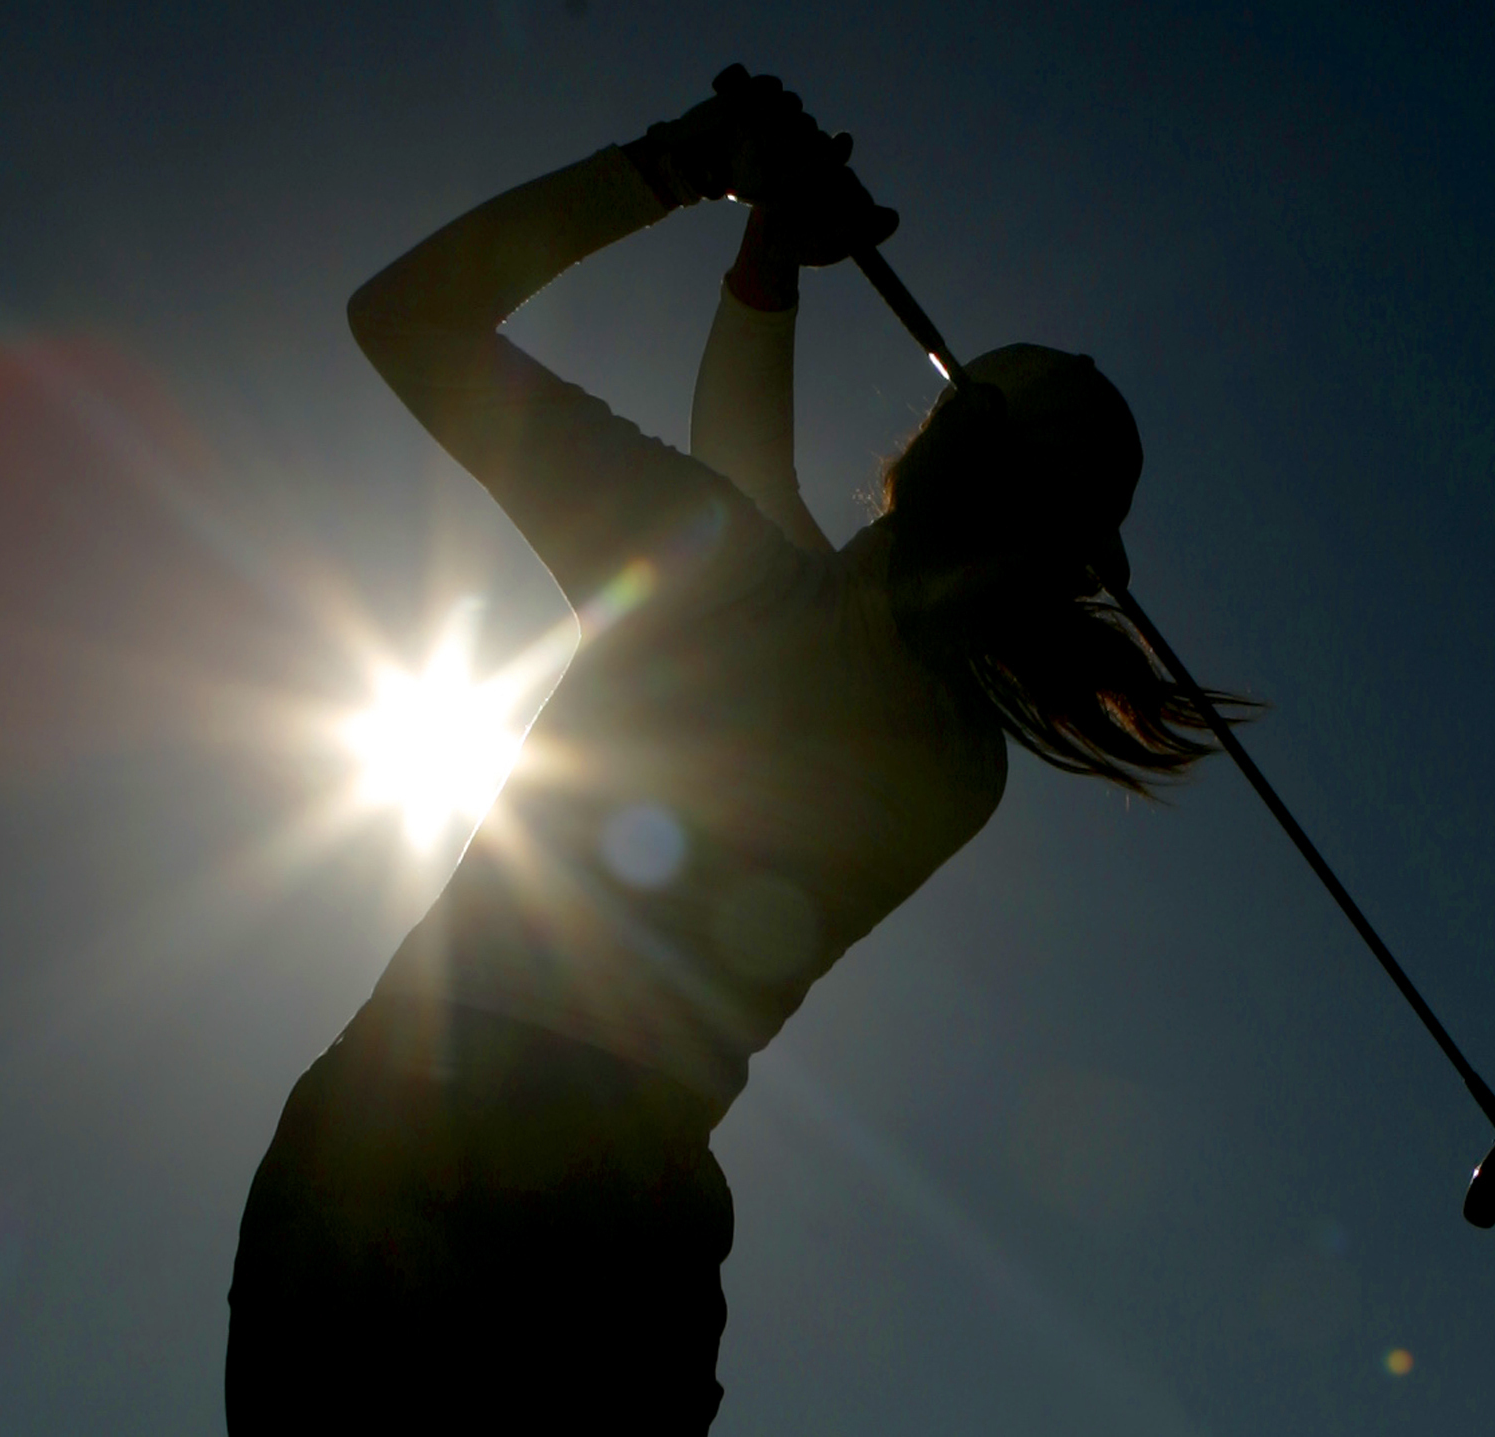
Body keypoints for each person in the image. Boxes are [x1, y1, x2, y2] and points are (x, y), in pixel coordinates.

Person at [226, 67, 1230, 1435]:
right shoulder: (960, 769)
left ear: (921, 453)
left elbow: (406, 317)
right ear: (1059, 563)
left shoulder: (735, 589)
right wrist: (765, 258)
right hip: (627, 1228)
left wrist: (687, 164)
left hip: (412, 1143)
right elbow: (761, 510)